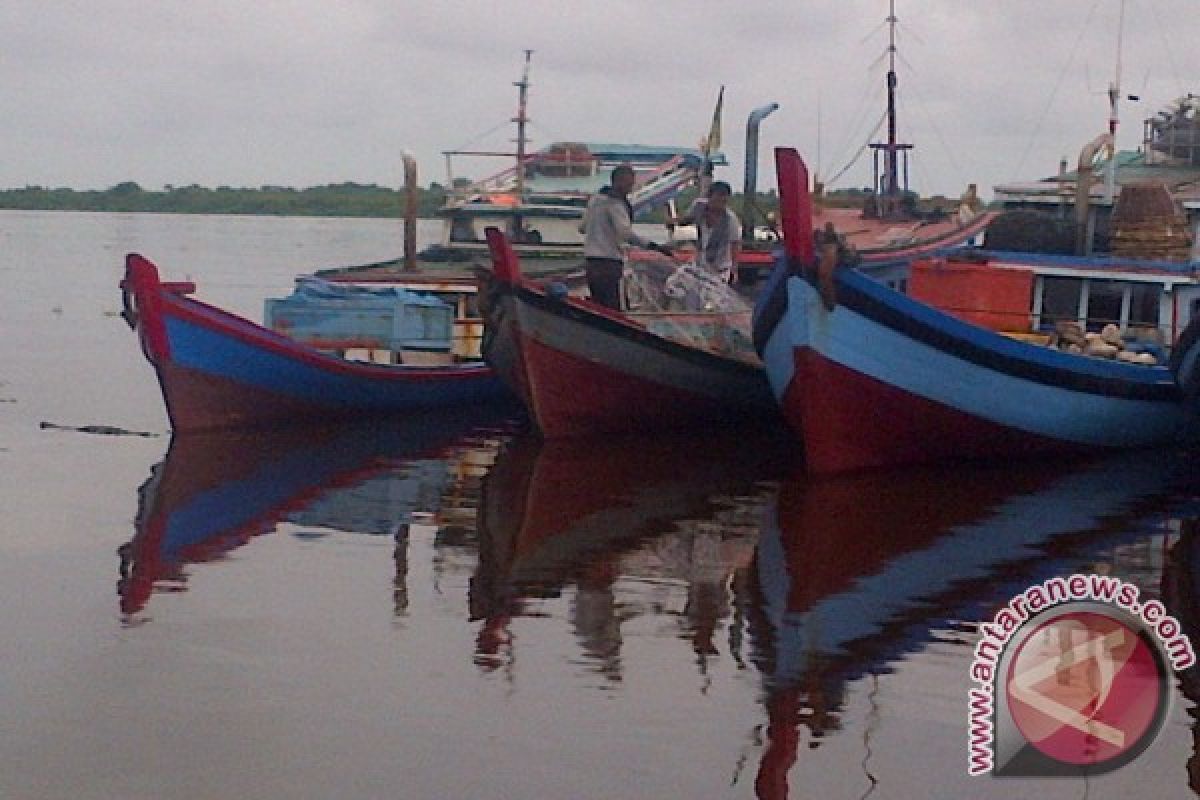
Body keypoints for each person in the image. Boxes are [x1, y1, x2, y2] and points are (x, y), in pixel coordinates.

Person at [581, 164, 671, 309]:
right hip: (609, 263)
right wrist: (654, 246)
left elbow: (582, 227)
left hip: (591, 261)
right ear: (618, 181)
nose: (630, 187)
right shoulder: (615, 204)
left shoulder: (595, 200)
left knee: (598, 306)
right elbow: (625, 233)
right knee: (612, 307)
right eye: (629, 183)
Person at [674, 181, 742, 284]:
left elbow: (735, 244)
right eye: (719, 196)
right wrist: (673, 220)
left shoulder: (731, 219)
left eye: (725, 197)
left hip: (719, 268)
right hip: (699, 264)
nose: (721, 200)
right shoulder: (699, 207)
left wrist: (734, 270)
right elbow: (686, 220)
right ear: (710, 197)